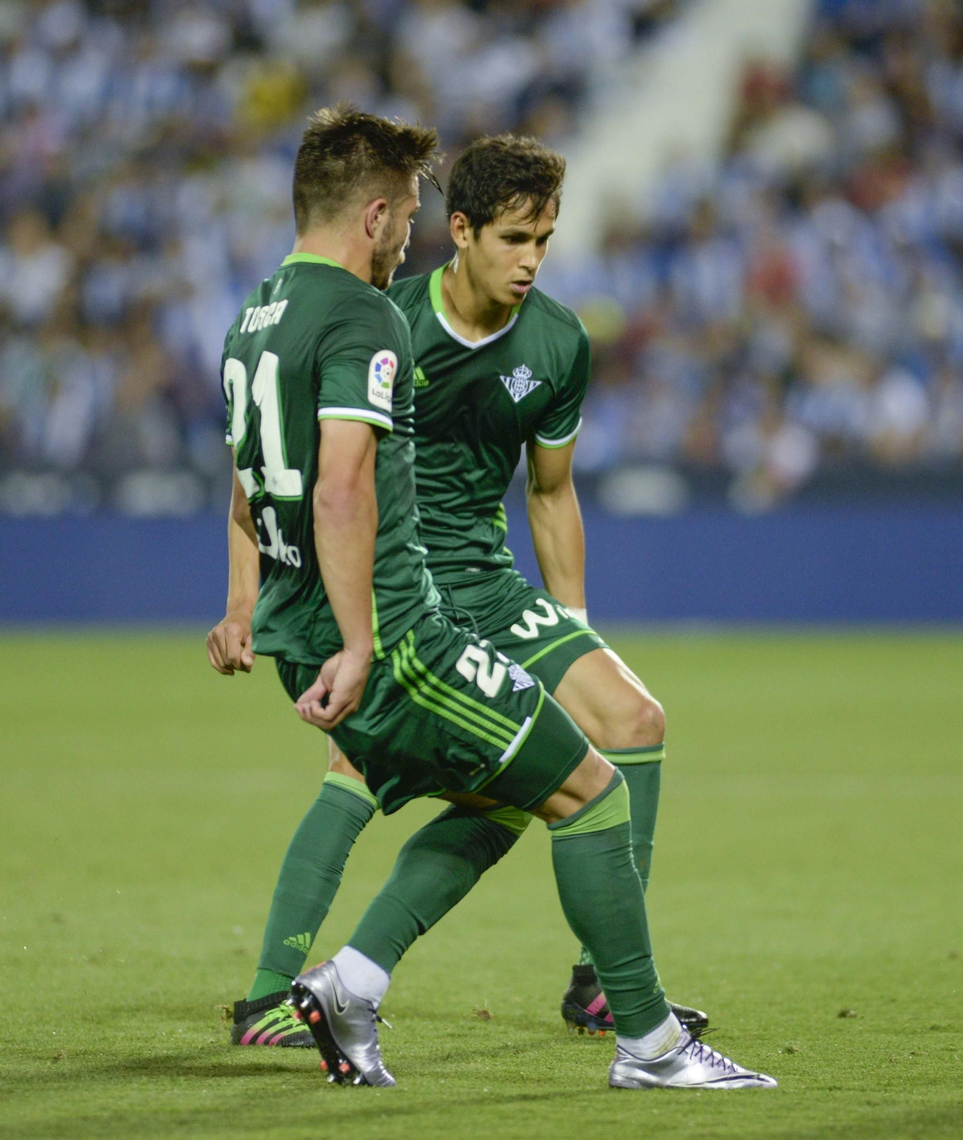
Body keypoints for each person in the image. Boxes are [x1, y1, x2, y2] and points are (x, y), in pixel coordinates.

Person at [207, 104, 773, 1090]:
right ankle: (638, 1042)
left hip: (471, 594)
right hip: (400, 608)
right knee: (543, 785)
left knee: (601, 740)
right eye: (516, 237)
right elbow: (328, 484)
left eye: (546, 240)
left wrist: (571, 627)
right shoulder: (383, 315)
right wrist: (346, 630)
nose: (534, 260)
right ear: (441, 230)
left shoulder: (542, 343)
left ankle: (506, 984)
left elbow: (549, 496)